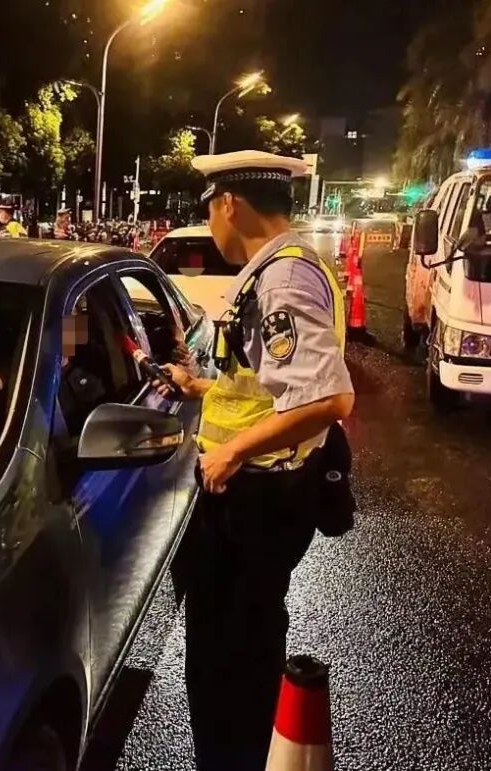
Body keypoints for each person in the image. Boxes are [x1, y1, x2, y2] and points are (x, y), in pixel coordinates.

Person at [154, 151, 355, 771]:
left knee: (228, 659)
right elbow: (263, 385)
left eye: (209, 209)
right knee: (237, 644)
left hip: (257, 497)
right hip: (262, 494)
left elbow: (328, 399)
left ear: (228, 204)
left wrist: (233, 451)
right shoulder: (279, 266)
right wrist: (200, 386)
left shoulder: (283, 278)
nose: (210, 223)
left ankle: (233, 761)